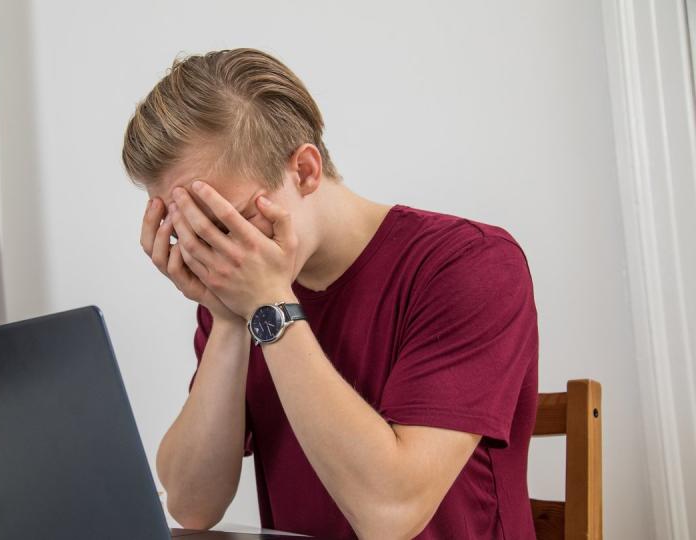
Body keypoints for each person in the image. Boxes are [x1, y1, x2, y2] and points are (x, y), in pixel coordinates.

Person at [122, 48, 538, 540]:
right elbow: (192, 506)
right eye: (189, 233)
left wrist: (270, 307)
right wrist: (229, 320)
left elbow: (390, 514)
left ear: (303, 171)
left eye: (227, 222)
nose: (213, 254)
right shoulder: (242, 283)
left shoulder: (471, 264)